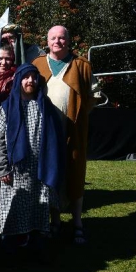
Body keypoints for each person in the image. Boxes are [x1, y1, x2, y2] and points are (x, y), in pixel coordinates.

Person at [32, 26, 99, 244]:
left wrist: (78, 117)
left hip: (73, 131)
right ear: (47, 40)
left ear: (68, 41)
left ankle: (78, 222)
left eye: (62, 38)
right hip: (45, 132)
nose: (57, 41)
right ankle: (55, 220)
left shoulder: (81, 65)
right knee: (52, 174)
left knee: (75, 172)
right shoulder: (38, 64)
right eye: (53, 38)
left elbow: (93, 96)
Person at [0, 64, 64, 256]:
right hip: (16, 170)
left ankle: (36, 245)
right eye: (26, 77)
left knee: (38, 206)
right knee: (14, 206)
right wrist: (2, 168)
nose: (30, 81)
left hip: (39, 168)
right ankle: (11, 248)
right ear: (18, 80)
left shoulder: (44, 105)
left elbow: (56, 135)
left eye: (34, 77)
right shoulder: (8, 106)